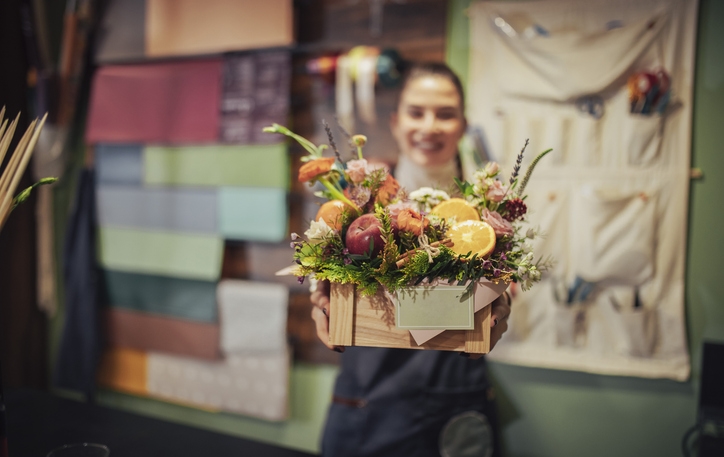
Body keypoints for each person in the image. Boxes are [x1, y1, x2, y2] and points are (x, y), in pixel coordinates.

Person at [310, 62, 512, 457]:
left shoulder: (490, 205)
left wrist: (500, 300)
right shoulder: (360, 198)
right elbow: (324, 271)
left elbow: (509, 283)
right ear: (397, 121)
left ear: (463, 124)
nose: (430, 125)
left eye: (446, 114)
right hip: (368, 400)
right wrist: (320, 295)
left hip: (454, 396)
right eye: (417, 112)